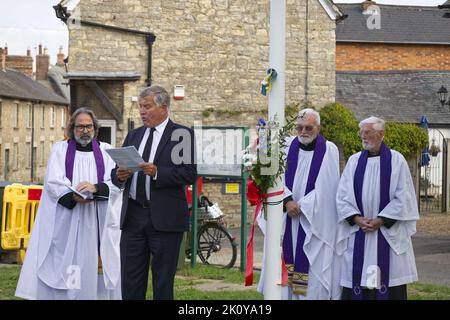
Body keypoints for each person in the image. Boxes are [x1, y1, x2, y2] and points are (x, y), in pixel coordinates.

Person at [15, 108, 122, 300]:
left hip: (97, 220)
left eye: (88, 126)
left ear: (95, 128)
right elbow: (53, 183)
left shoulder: (107, 151)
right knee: (68, 266)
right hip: (69, 221)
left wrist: (96, 188)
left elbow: (115, 183)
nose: (85, 130)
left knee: (94, 267)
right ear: (72, 129)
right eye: (80, 126)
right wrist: (74, 196)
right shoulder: (60, 150)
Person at [111, 85, 197, 300]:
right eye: (140, 107)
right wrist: (119, 175)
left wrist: (158, 172)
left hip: (165, 219)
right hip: (133, 217)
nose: (142, 111)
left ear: (164, 108)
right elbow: (115, 173)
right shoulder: (134, 135)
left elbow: (188, 174)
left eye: (147, 107)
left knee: (162, 282)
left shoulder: (180, 135)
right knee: (130, 281)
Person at [257, 108, 341, 300]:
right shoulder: (285, 145)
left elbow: (328, 188)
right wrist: (287, 201)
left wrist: (303, 206)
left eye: (308, 128)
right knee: (283, 259)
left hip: (313, 222)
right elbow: (273, 177)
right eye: (299, 127)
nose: (303, 132)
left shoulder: (329, 150)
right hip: (286, 218)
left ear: (318, 128)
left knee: (310, 266)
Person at [336, 116, 419, 300]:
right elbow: (342, 197)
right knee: (357, 281)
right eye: (361, 133)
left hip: (387, 235)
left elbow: (403, 197)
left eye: (367, 133)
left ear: (381, 134)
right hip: (360, 233)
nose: (363, 137)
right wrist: (357, 219)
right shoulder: (354, 161)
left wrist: (380, 221)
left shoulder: (397, 161)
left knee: (389, 285)